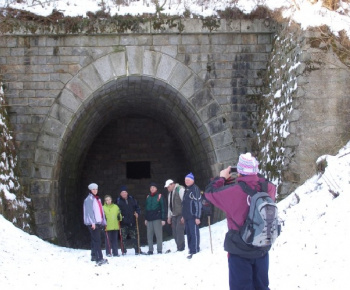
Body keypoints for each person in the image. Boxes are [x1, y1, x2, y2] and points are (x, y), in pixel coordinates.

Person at [204, 153, 276, 290]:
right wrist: (252, 175)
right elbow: (258, 181)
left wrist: (221, 178)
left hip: (239, 250)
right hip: (261, 247)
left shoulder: (233, 191)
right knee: (262, 286)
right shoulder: (269, 188)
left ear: (240, 171)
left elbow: (209, 192)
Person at [83, 183, 108, 266]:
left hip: (97, 222)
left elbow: (100, 211)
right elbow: (89, 212)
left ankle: (93, 256)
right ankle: (99, 258)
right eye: (93, 189)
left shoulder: (97, 199)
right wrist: (92, 223)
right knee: (97, 240)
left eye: (96, 189)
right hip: (92, 223)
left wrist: (103, 221)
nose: (95, 191)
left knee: (94, 240)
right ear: (90, 190)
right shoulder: (89, 199)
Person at [181, 172, 202, 259]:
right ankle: (191, 248)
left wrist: (197, 216)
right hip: (187, 217)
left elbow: (198, 203)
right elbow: (184, 204)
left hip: (193, 216)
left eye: (188, 180)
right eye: (186, 180)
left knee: (194, 233)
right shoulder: (187, 190)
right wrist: (183, 216)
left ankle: (195, 249)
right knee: (189, 233)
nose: (187, 181)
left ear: (192, 180)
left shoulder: (195, 189)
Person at [116, 186, 141, 255]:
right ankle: (124, 251)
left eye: (125, 192)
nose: (124, 194)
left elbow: (137, 207)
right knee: (123, 238)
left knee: (135, 236)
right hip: (123, 222)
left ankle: (137, 250)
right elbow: (116, 211)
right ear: (120, 194)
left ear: (127, 193)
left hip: (132, 221)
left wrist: (137, 213)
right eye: (122, 193)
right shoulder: (118, 201)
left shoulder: (132, 199)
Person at [144, 182, 166, 254]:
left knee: (158, 235)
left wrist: (163, 219)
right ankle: (150, 250)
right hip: (149, 218)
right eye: (151, 188)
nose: (152, 189)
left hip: (157, 218)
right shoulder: (148, 197)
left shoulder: (159, 196)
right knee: (149, 235)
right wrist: (146, 218)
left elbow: (163, 208)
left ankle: (159, 249)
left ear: (156, 188)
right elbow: (146, 208)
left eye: (153, 187)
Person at [164, 179, 185, 252]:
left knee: (179, 231)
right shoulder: (170, 194)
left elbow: (184, 202)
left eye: (168, 187)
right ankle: (178, 246)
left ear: (172, 184)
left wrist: (184, 215)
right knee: (175, 232)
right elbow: (169, 206)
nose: (167, 189)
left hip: (180, 214)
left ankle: (181, 247)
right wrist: (169, 217)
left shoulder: (180, 189)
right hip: (174, 215)